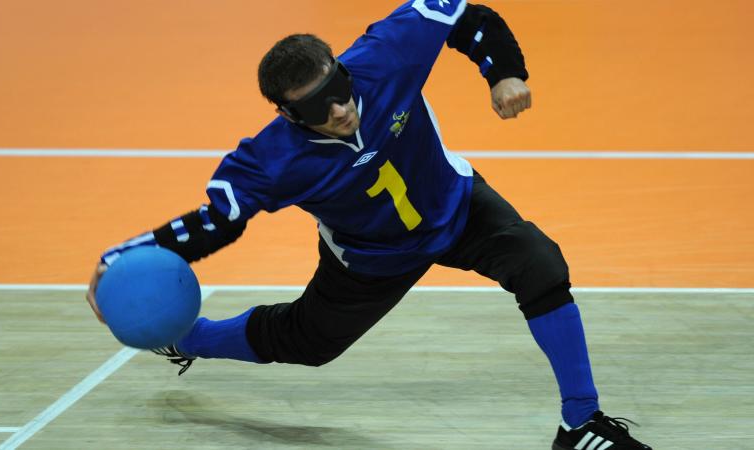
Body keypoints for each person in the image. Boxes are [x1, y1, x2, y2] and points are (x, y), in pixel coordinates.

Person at [86, 2, 652, 448]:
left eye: (339, 90)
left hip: (456, 209)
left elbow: (469, 17)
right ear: (285, 114)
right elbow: (216, 224)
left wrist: (503, 74)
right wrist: (122, 257)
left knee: (540, 264)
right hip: (368, 258)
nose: (338, 110)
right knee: (309, 345)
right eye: (315, 108)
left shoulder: (387, 54)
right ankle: (190, 339)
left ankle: (581, 423)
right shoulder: (271, 159)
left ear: (342, 67)